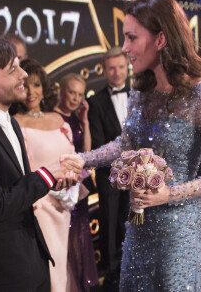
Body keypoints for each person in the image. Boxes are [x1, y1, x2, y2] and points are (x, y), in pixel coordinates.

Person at [66, 0, 201, 290]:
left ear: (160, 39)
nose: (124, 48)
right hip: (138, 226)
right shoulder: (141, 90)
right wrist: (83, 159)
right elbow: (125, 143)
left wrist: (168, 195)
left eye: (132, 37)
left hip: (180, 233)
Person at [0, 33, 83, 291]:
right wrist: (46, 175)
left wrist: (51, 183)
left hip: (32, 255)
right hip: (4, 271)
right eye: (13, 70)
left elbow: (16, 185)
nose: (24, 74)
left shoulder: (8, 119)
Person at [14, 59, 86, 292]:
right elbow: (22, 169)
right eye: (24, 85)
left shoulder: (58, 120)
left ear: (44, 87)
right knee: (50, 264)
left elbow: (74, 158)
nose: (31, 92)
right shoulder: (16, 123)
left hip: (65, 203)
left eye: (35, 84)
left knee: (64, 263)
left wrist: (70, 188)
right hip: (40, 206)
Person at [87, 46, 130, 290]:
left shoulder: (141, 95)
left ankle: (132, 264)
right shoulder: (95, 101)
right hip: (109, 174)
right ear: (104, 70)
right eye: (112, 68)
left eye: (121, 67)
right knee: (110, 222)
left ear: (127, 67)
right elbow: (98, 141)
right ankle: (112, 272)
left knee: (133, 219)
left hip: (140, 172)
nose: (117, 73)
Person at [54, 73, 99, 291]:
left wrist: (85, 122)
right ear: (61, 90)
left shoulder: (76, 119)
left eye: (80, 94)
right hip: (60, 190)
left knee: (80, 237)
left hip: (77, 190)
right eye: (72, 92)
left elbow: (86, 153)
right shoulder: (51, 118)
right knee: (64, 239)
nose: (75, 98)